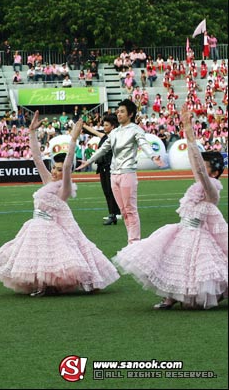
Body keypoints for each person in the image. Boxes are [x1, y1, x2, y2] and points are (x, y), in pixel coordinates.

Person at [0, 112, 120, 296]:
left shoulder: (63, 189)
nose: (55, 171)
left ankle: (46, 286)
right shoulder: (48, 181)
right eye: (54, 168)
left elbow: (68, 166)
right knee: (35, 259)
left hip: (50, 229)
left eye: (58, 170)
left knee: (51, 259)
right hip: (34, 227)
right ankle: (42, 285)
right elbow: (36, 158)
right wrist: (32, 133)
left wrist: (74, 139)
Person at [113, 105, 228, 309]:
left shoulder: (212, 189)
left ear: (215, 172)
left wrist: (191, 139)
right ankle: (170, 297)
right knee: (170, 264)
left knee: (189, 268)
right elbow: (197, 166)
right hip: (181, 230)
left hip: (197, 235)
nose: (201, 166)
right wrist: (187, 128)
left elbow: (200, 170)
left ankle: (182, 297)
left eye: (206, 164)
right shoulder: (201, 183)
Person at [77, 99, 165, 244]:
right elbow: (104, 148)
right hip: (114, 174)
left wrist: (153, 156)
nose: (118, 114)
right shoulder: (115, 132)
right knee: (123, 212)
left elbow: (143, 143)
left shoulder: (135, 129)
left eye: (122, 111)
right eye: (118, 111)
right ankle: (131, 240)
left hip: (127, 173)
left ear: (130, 114)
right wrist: (89, 161)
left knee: (130, 210)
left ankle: (134, 242)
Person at [83, 114, 122, 225]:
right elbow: (93, 132)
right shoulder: (104, 136)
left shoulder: (115, 137)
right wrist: (83, 125)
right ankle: (113, 213)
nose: (104, 127)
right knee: (106, 191)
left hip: (111, 167)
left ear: (113, 126)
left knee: (111, 191)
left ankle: (115, 213)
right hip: (102, 167)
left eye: (106, 125)